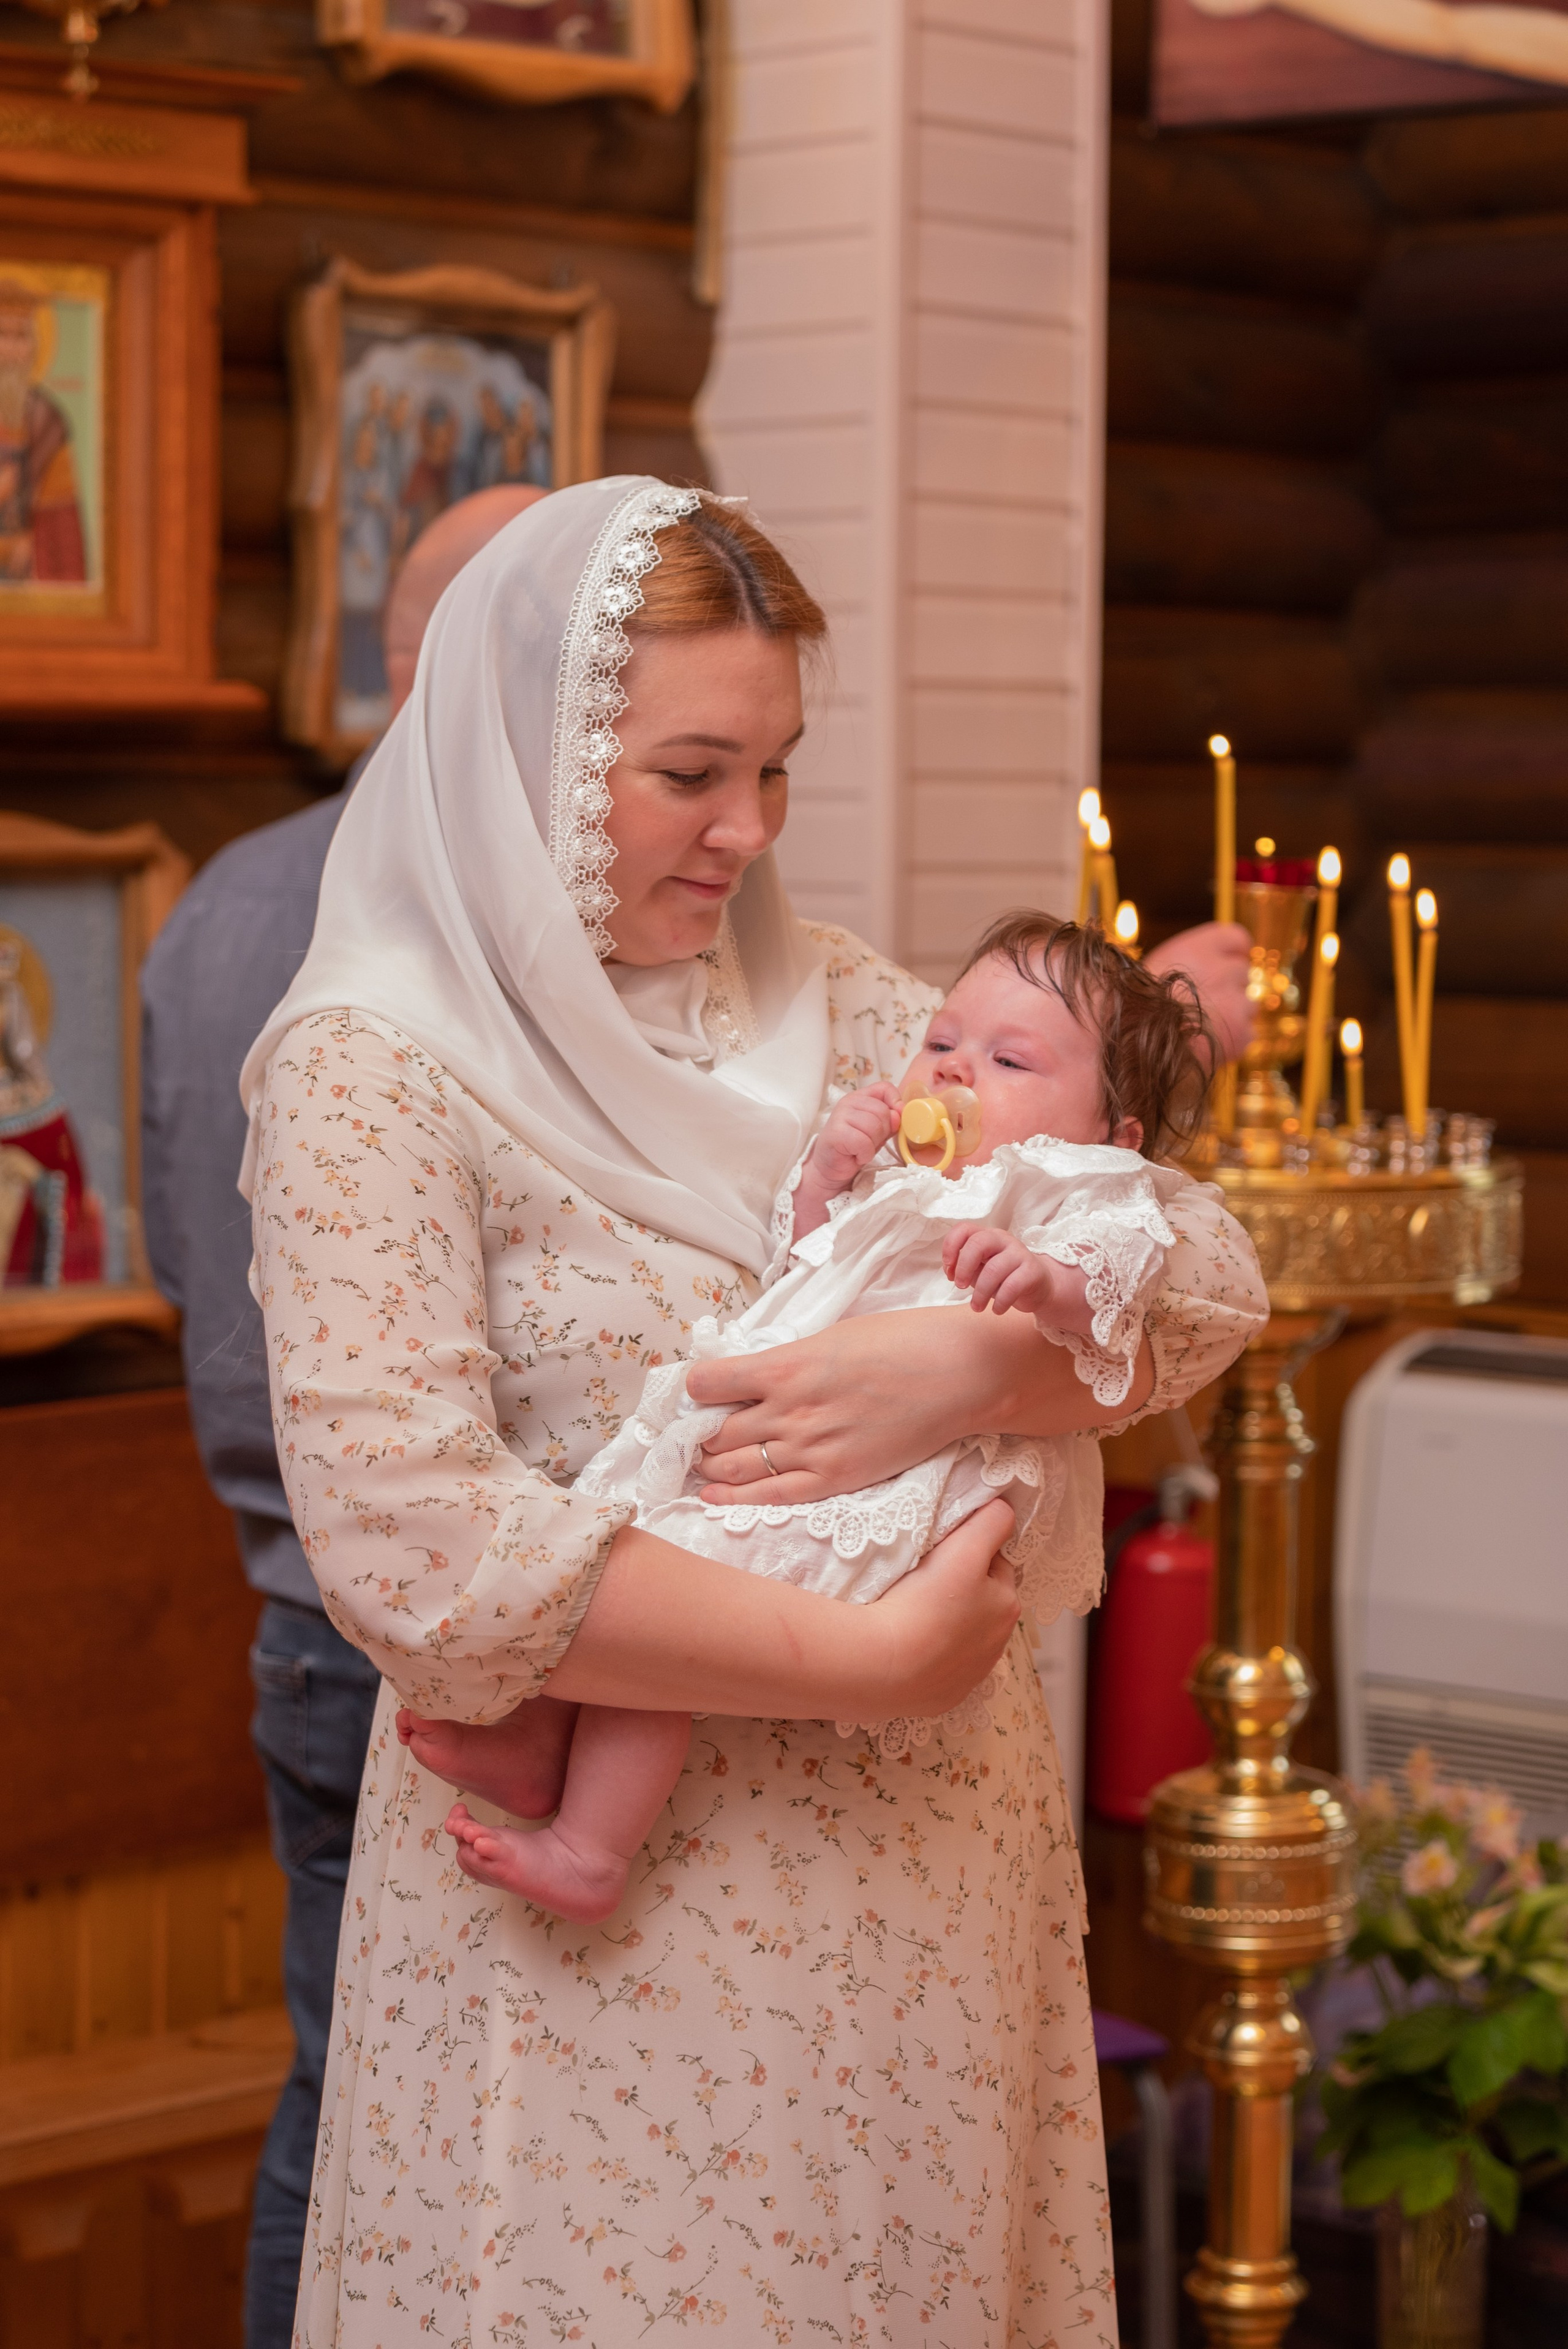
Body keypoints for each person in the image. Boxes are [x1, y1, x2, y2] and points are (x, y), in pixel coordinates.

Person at [242, 477, 1267, 2345]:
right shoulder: (373, 1067)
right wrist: (864, 1657)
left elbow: (1188, 1266)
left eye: (775, 772)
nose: (747, 832)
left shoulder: (855, 1013)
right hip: (615, 1942)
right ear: (528, 754)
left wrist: (963, 1368)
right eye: (690, 773)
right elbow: (419, 1551)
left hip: (927, 1912)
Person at [403, 910, 1234, 1923]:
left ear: (1114, 1131)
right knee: (644, 1557)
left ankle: (590, 1847)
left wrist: (1044, 1281)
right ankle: (546, 1754)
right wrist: (825, 1181)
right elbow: (807, 1268)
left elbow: (1120, 1279)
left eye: (1010, 1059)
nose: (956, 1072)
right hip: (789, 1443)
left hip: (897, 1483)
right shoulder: (907, 1182)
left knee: (682, 1615)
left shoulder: (1076, 1184)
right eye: (940, 1042)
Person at [139, 483, 549, 2349]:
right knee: (464, 2124)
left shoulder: (220, 899)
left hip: (294, 1599)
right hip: (474, 1630)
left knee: (342, 2085)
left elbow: (176, 1254)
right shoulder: (473, 917)